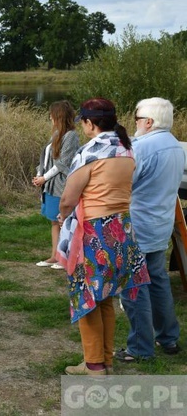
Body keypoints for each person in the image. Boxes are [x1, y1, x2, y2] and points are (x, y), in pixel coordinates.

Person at [57, 98, 150, 376]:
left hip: (94, 233)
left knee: (87, 297)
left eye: (84, 121)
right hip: (122, 231)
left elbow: (67, 198)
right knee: (106, 297)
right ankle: (103, 360)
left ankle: (95, 366)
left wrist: (63, 216)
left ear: (89, 123)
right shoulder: (127, 149)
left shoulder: (90, 152)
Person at [117, 97, 185, 362]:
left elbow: (125, 182)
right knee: (158, 281)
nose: (134, 124)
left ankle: (140, 347)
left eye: (137, 119)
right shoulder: (176, 145)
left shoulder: (142, 147)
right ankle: (168, 338)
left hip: (139, 224)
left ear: (149, 122)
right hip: (161, 223)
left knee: (134, 285)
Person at [33, 101, 79, 269]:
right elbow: (46, 158)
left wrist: (44, 178)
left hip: (61, 184)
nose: (50, 117)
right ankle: (54, 255)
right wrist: (39, 174)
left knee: (64, 221)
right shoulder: (57, 133)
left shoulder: (71, 135)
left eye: (52, 114)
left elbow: (63, 163)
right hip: (50, 185)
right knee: (54, 220)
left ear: (59, 115)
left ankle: (65, 257)